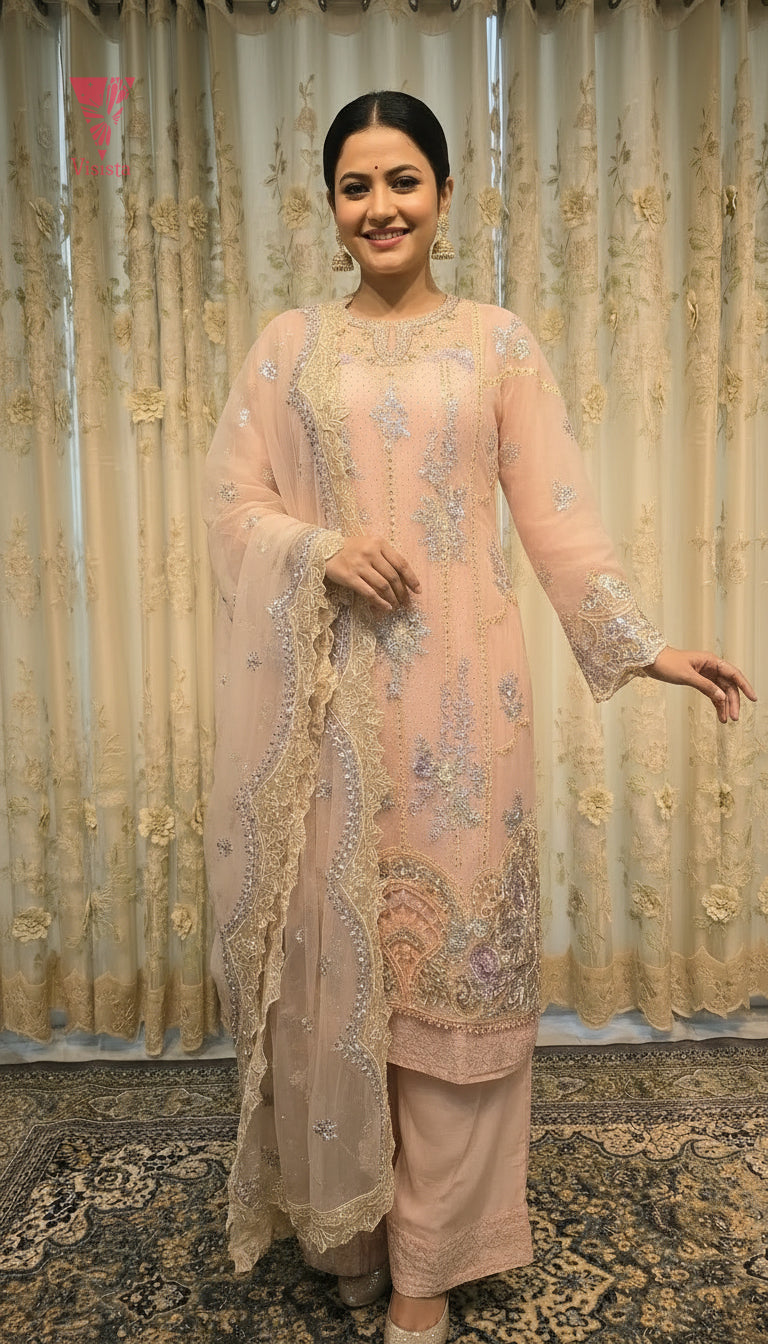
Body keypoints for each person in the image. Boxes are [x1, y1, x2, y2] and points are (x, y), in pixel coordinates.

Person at [202, 90, 757, 1344]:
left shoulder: (497, 344)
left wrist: (646, 647)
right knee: (339, 975)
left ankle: (430, 1267)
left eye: (403, 180)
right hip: (332, 716)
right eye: (355, 185)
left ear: (445, 195)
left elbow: (558, 519)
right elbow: (233, 508)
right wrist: (319, 549)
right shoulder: (290, 347)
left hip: (467, 718)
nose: (380, 206)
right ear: (330, 206)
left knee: (456, 986)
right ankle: (352, 1226)